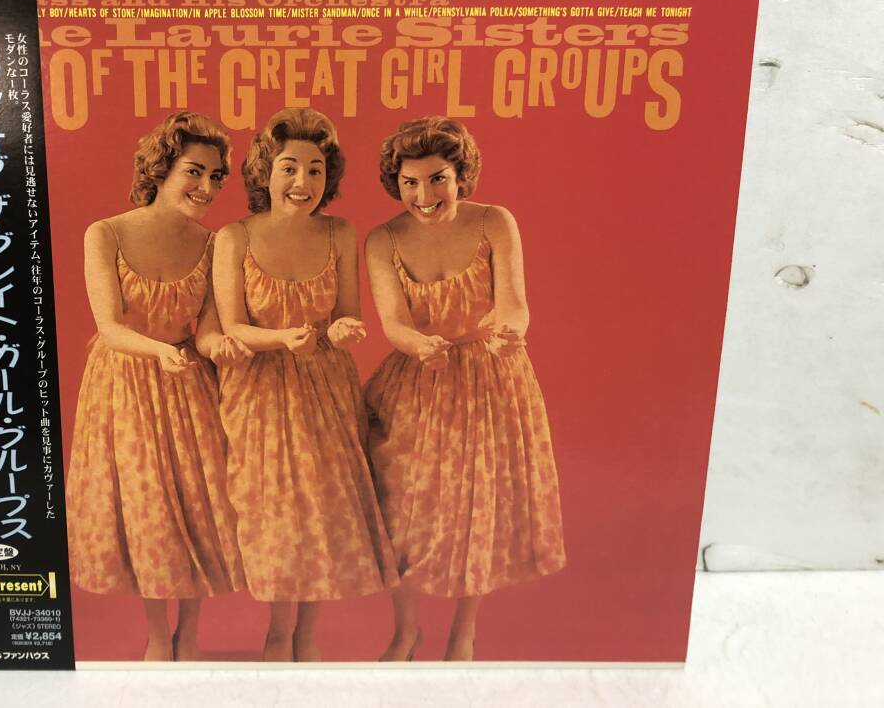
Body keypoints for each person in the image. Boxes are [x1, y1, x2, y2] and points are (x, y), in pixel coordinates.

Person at [364, 116, 566, 661]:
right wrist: (419, 345)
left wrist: (509, 333)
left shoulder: (495, 221)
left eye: (437, 179)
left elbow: (515, 305)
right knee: (400, 507)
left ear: (460, 175)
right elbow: (394, 322)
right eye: (409, 182)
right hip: (419, 377)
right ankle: (407, 630)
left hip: (488, 376)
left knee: (477, 504)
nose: (424, 196)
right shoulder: (382, 240)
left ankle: (464, 631)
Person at [213, 107, 398, 661]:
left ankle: (308, 637)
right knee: (274, 513)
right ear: (265, 172)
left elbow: (346, 314)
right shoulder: (233, 237)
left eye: (316, 170)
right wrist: (280, 339)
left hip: (326, 386)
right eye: (289, 167)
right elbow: (232, 326)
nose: (303, 182)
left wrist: (343, 329)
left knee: (323, 509)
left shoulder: (341, 232)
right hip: (259, 390)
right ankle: (277, 633)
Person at [64, 111, 249, 661]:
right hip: (125, 382)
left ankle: (188, 635)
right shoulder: (106, 233)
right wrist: (160, 351)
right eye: (194, 171)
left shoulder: (214, 244)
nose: (207, 188)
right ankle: (157, 636)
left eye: (216, 177)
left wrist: (222, 347)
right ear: (161, 169)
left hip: (189, 382)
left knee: (199, 507)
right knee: (146, 509)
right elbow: (109, 327)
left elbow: (208, 329)